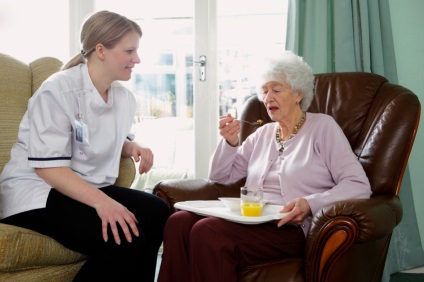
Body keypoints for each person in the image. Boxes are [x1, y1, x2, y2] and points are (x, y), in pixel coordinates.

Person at [157, 51, 372, 282]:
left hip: (290, 227)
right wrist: (230, 143)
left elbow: (358, 186)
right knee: (178, 222)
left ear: (298, 93)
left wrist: (309, 203)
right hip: (251, 220)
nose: (268, 97)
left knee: (207, 231)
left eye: (276, 90)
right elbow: (221, 176)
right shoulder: (262, 134)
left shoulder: (323, 128)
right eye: (264, 90)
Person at [0, 10, 170, 281]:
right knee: (124, 238)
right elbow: (49, 169)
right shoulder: (57, 90)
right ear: (101, 50)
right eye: (129, 51)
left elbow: (98, 136)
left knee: (157, 212)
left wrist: (132, 146)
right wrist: (105, 204)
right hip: (36, 193)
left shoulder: (123, 98)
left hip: (84, 185)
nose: (137, 59)